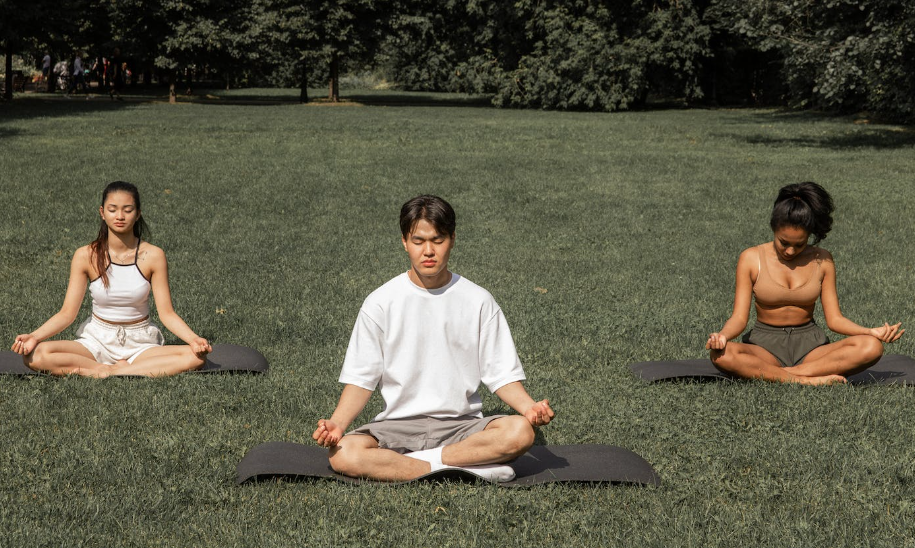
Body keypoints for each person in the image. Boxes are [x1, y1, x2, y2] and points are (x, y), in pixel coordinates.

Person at [312, 195, 554, 482]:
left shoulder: (478, 300)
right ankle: (467, 467)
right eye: (418, 241)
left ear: (452, 239)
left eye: (438, 240)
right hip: (397, 427)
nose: (428, 251)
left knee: (521, 432)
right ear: (404, 241)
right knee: (344, 453)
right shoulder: (380, 302)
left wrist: (529, 408)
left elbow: (500, 374)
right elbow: (361, 378)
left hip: (462, 428)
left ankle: (416, 466)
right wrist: (337, 424)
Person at [707, 182, 904, 385]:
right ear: (773, 229)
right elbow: (739, 318)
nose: (790, 251)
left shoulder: (822, 260)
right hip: (764, 346)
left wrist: (870, 332)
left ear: (809, 236)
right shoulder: (750, 258)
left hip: (811, 347)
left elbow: (834, 319)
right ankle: (806, 380)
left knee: (872, 347)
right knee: (721, 354)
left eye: (799, 244)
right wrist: (722, 336)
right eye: (783, 242)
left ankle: (784, 375)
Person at [11, 181, 212, 377]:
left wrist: (194, 339)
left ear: (138, 214)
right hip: (96, 341)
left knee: (195, 358)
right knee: (35, 355)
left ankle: (119, 370)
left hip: (140, 343)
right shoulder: (85, 255)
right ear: (102, 212)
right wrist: (34, 336)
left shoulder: (154, 255)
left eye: (128, 210)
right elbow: (66, 314)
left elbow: (167, 313)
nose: (120, 216)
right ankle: (100, 370)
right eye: (113, 209)